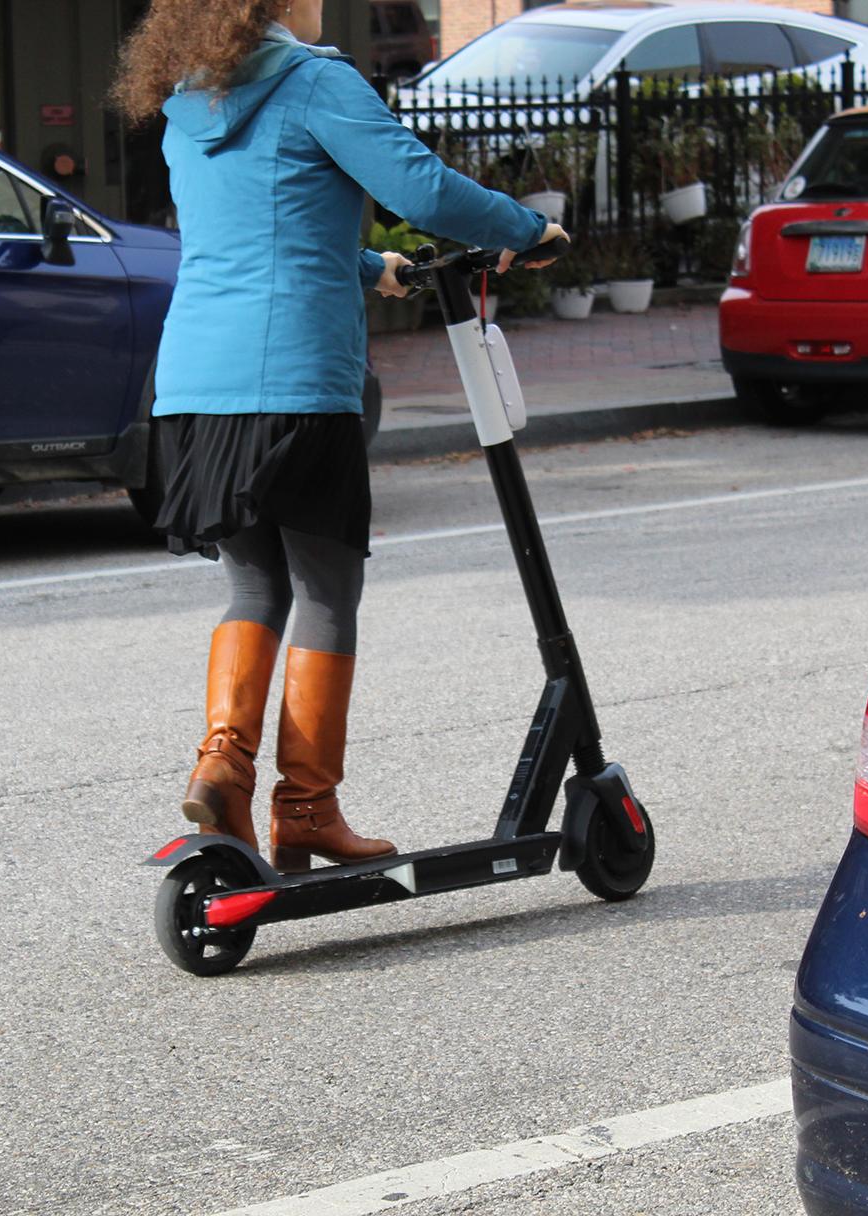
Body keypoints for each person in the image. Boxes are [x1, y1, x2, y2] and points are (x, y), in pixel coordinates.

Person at [113, 0, 564, 872]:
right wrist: (525, 229)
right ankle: (308, 808)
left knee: (253, 588)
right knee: (325, 590)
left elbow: (251, 231)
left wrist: (368, 266)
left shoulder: (190, 102)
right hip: (295, 380)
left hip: (196, 386)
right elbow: (423, 189)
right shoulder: (316, 81)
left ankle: (222, 765)